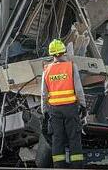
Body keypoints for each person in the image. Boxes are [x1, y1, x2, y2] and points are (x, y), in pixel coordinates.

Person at [41, 39, 87, 168]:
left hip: (54, 110)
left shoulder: (47, 70)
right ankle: (77, 167)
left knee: (57, 139)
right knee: (74, 138)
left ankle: (59, 167)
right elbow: (78, 89)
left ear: (51, 54)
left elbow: (44, 94)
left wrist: (44, 111)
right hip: (70, 108)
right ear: (63, 52)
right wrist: (83, 105)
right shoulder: (71, 66)